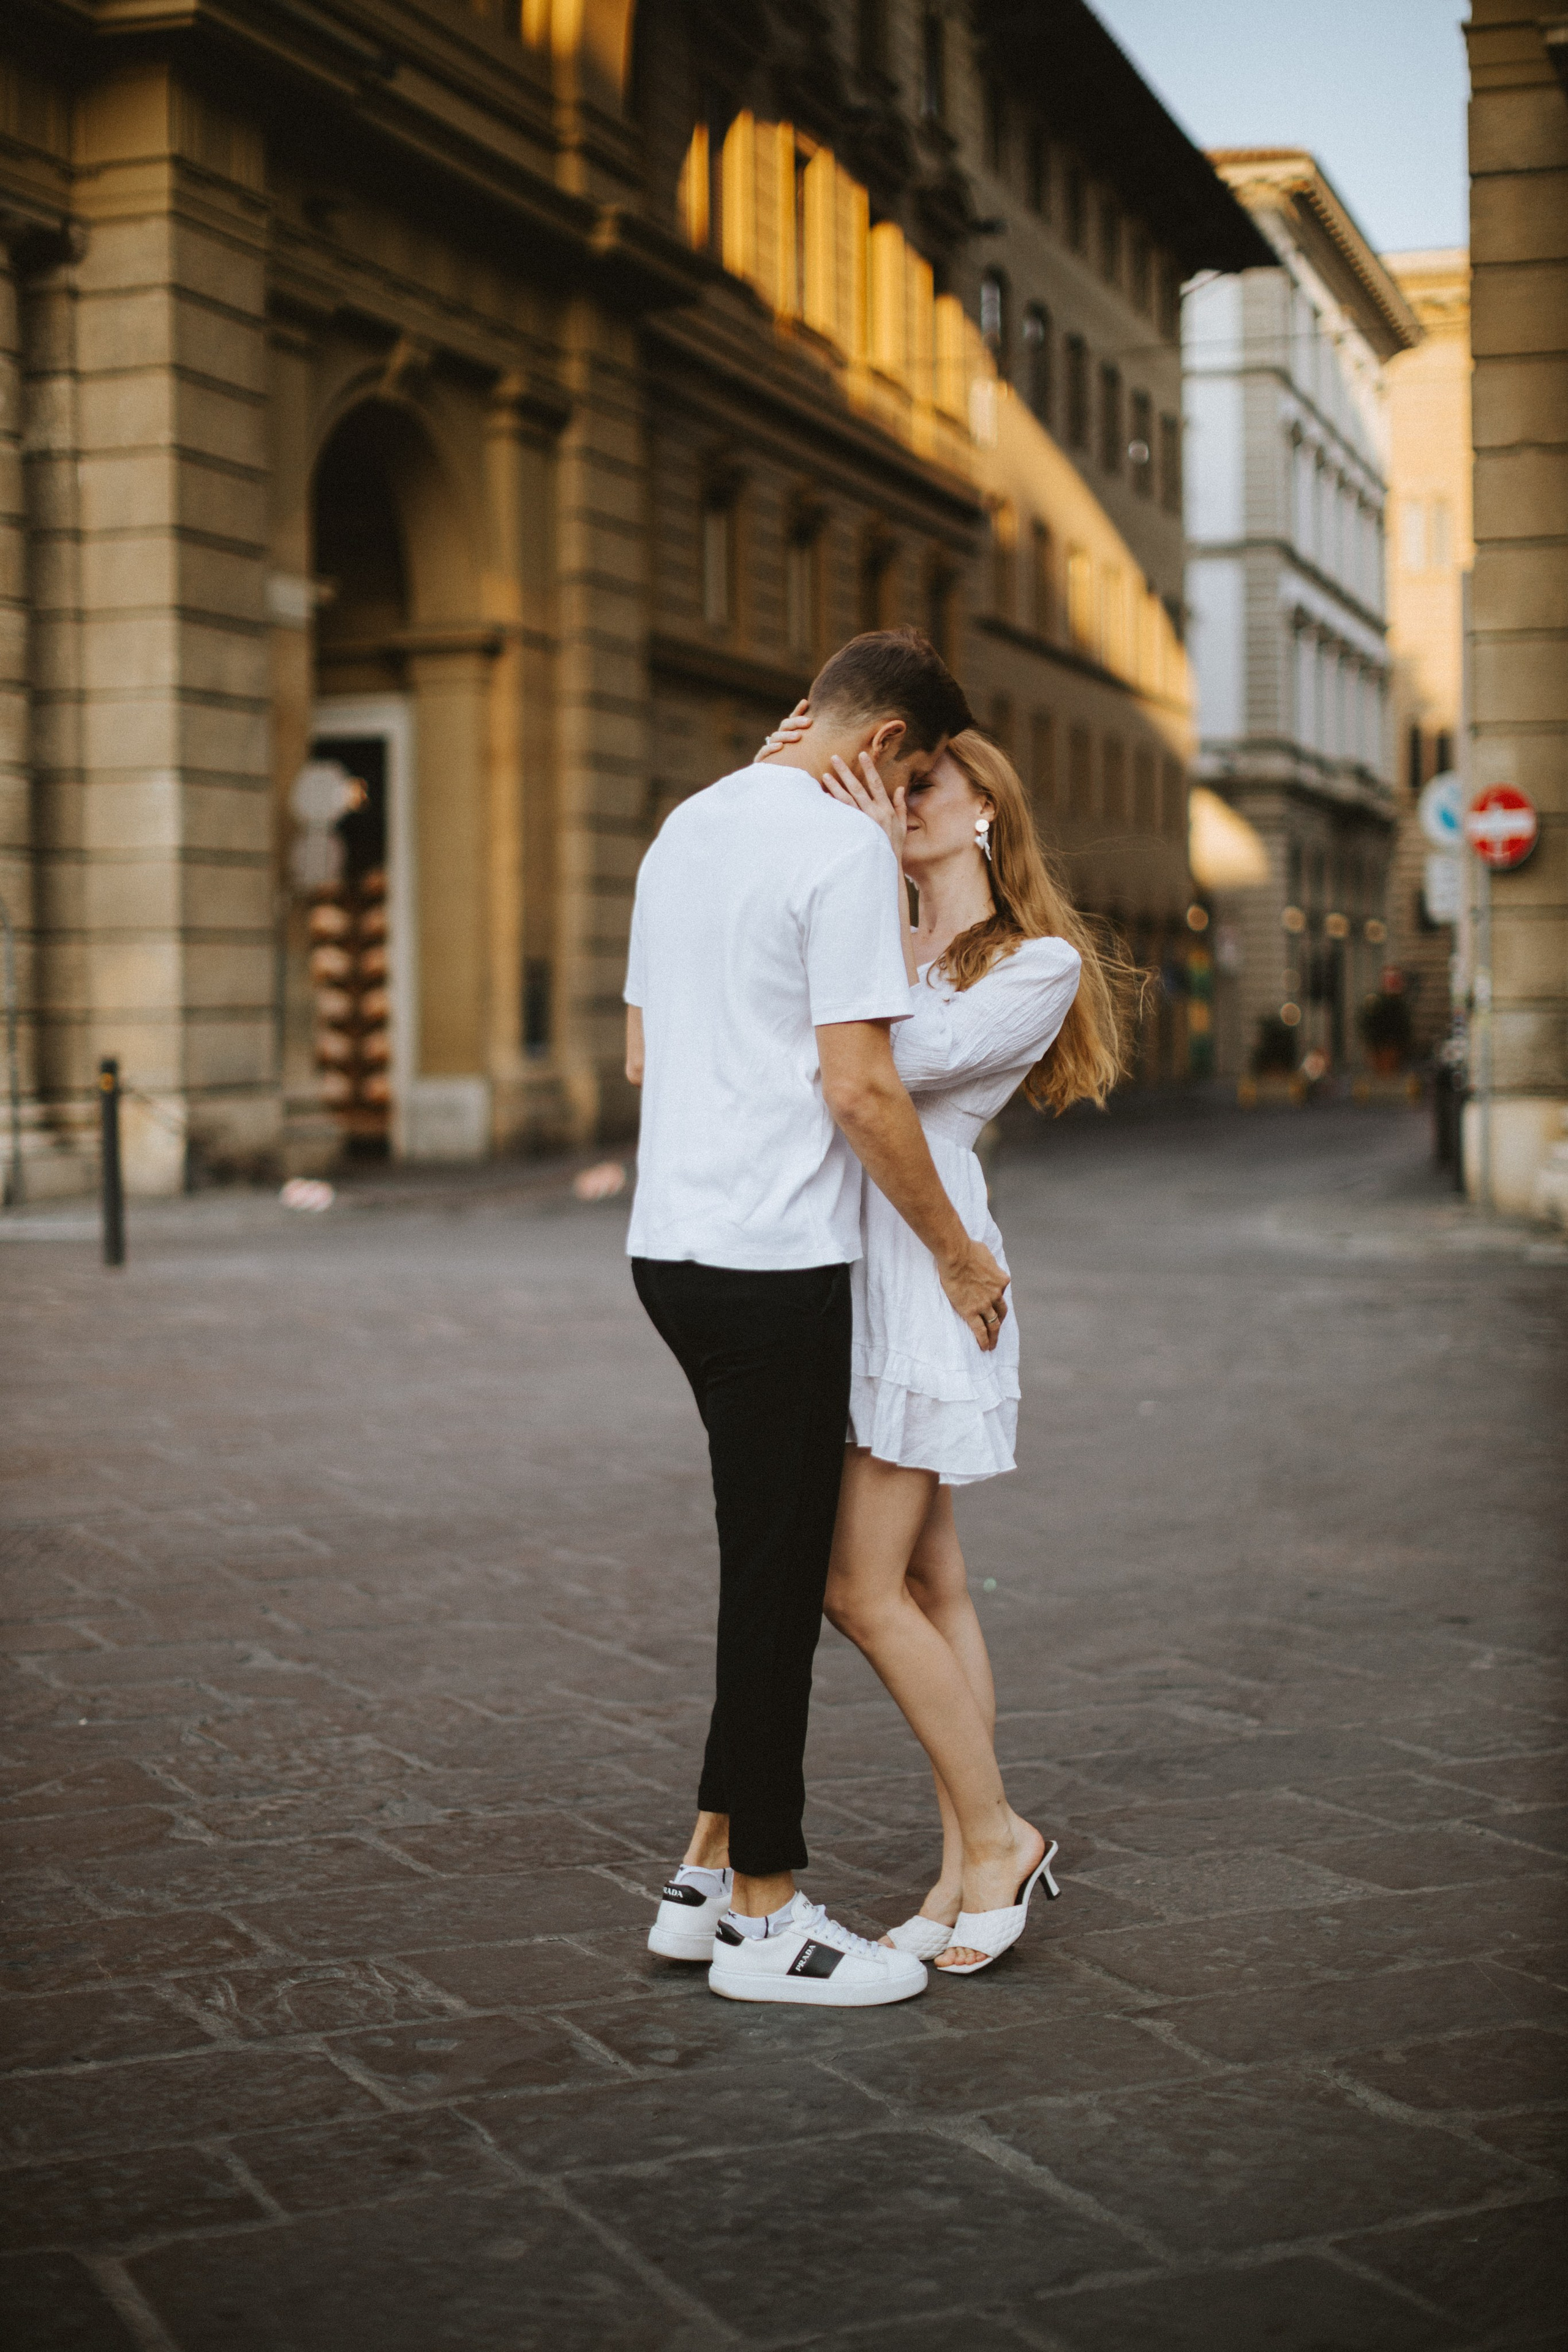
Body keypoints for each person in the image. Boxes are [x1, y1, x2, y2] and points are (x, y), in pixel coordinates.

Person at [628, 629, 1011, 2008]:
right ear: (890, 747)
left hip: (668, 1249)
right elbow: (862, 1091)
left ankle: (699, 1882)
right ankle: (766, 1917)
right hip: (771, 1261)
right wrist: (959, 1257)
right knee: (775, 1582)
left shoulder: (690, 821)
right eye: (911, 775)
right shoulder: (839, 850)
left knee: (770, 1561)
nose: (904, 805)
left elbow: (642, 1046)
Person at [759, 704, 1133, 1973]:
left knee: (854, 1589)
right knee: (931, 1586)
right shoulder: (881, 925)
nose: (901, 799)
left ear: (984, 813)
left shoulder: (1033, 965)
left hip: (926, 1276)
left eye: (927, 785)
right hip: (838, 1267)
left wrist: (860, 881)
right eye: (893, 782)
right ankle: (967, 1861)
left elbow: (878, 1067)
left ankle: (996, 1837)